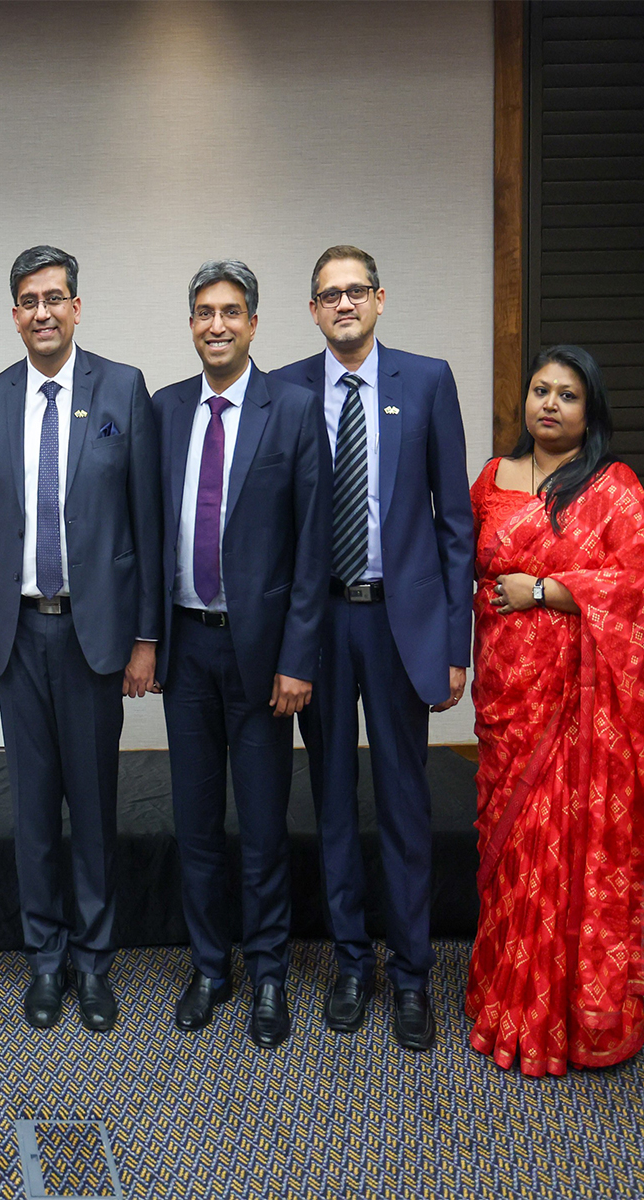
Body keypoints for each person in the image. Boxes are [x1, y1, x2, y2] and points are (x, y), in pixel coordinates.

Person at [271, 245, 473, 1052]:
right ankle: (353, 963)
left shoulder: (426, 380)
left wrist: (457, 642)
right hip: (320, 626)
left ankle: (414, 973)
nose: (344, 304)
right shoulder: (285, 388)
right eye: (329, 294)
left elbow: (455, 523)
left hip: (400, 624)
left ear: (380, 299)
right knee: (329, 799)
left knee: (403, 803)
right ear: (313, 310)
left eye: (356, 291)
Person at [0, 245, 163, 1031]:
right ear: (14, 314)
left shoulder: (121, 388)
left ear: (77, 307)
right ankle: (44, 960)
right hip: (21, 635)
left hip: (97, 635)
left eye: (55, 297)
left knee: (92, 804)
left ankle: (94, 962)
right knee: (33, 811)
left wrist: (147, 637)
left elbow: (146, 521)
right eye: (27, 299)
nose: (42, 311)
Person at [467, 345, 644, 1076]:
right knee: (511, 847)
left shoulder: (616, 490)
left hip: (580, 710)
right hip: (506, 697)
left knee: (568, 848)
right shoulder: (491, 480)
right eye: (541, 391)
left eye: (569, 395)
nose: (550, 404)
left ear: (592, 411)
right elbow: (460, 563)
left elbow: (641, 593)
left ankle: (564, 1013)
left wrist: (545, 591)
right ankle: (504, 996)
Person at [153, 260, 330, 1049]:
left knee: (260, 825)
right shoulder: (164, 411)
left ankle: (266, 977)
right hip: (186, 647)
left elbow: (312, 548)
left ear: (255, 323)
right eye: (202, 312)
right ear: (190, 324)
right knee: (194, 821)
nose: (215, 324)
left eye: (230, 312)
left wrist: (299, 658)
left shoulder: (291, 410)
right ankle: (208, 969)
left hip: (264, 660)